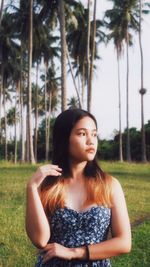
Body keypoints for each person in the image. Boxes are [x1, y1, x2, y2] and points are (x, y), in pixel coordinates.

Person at [26, 108, 131, 267]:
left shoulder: (109, 185)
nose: (91, 140)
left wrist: (74, 252)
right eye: (82, 134)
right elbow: (40, 240)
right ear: (64, 138)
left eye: (94, 134)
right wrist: (32, 187)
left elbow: (124, 243)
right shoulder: (48, 186)